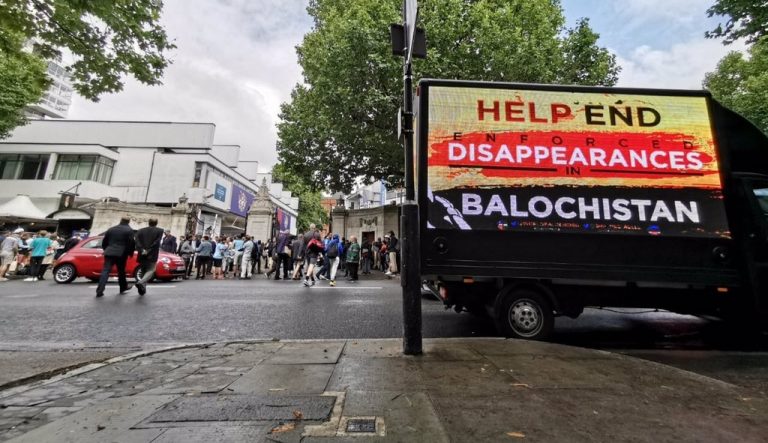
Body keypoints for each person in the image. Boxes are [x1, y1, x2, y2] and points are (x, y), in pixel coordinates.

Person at [96, 217, 135, 297]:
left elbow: (104, 242)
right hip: (122, 253)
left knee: (105, 271)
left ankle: (100, 290)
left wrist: (106, 249)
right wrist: (130, 253)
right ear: (128, 222)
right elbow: (131, 243)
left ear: (120, 220)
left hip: (109, 252)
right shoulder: (129, 230)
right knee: (121, 271)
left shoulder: (111, 229)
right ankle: (123, 287)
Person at [134, 218, 164, 295]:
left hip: (142, 254)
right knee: (151, 269)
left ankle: (142, 290)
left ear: (149, 222)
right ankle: (141, 282)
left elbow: (137, 242)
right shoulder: (160, 230)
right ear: (156, 223)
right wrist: (148, 250)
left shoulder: (140, 230)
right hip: (152, 254)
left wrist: (142, 250)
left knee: (143, 271)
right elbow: (156, 242)